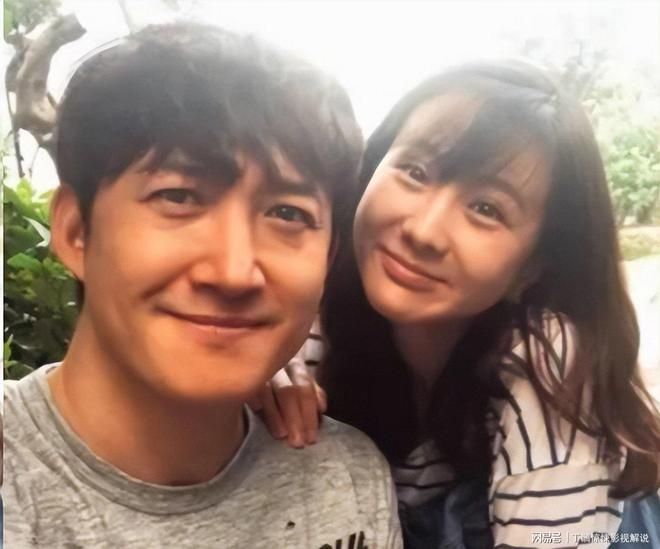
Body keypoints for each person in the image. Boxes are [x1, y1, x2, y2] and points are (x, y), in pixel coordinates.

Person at [3, 22, 403, 548]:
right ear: (77, 231)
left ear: (327, 259)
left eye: (288, 213)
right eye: (178, 197)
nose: (234, 271)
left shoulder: (347, 480)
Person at [255, 61, 660, 548]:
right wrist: (260, 373)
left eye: (486, 209)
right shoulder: (318, 312)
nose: (423, 231)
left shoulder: (549, 362)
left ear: (534, 266)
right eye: (415, 172)